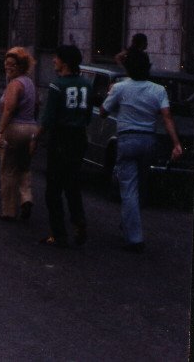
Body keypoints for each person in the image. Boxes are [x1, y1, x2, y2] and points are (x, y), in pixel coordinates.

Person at [101, 50, 182, 253]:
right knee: (140, 184)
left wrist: (110, 94)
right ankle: (129, 222)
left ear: (128, 68)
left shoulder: (120, 87)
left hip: (127, 139)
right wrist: (176, 143)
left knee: (128, 187)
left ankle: (134, 237)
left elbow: (103, 112)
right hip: (148, 140)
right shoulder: (158, 90)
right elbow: (167, 117)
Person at [34, 45, 92, 248]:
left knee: (53, 189)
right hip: (79, 138)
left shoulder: (57, 85)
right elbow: (88, 115)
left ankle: (58, 234)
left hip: (60, 139)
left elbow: (48, 118)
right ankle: (79, 221)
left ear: (65, 63)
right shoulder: (87, 85)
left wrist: (36, 138)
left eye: (56, 59)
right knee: (73, 184)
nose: (53, 61)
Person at [0, 47, 39, 222]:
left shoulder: (15, 84)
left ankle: (8, 211)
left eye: (12, 65)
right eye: (6, 65)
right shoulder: (30, 83)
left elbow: (9, 109)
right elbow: (37, 107)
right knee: (24, 167)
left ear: (21, 66)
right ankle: (26, 198)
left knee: (8, 170)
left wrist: (0, 131)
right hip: (30, 129)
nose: (8, 68)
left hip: (14, 129)